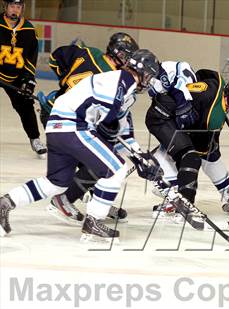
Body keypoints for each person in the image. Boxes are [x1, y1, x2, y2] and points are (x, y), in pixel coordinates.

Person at [0, 49, 161, 241]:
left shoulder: (125, 88)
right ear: (142, 72)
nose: (150, 81)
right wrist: (129, 149)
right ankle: (94, 220)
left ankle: (7, 202)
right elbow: (109, 125)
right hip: (74, 127)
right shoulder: (122, 81)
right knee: (116, 169)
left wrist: (138, 154)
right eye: (150, 75)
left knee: (56, 182)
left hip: (58, 128)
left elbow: (121, 130)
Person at [37, 32, 139, 225]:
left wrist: (64, 85)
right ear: (119, 54)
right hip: (72, 119)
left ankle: (97, 201)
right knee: (97, 160)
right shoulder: (113, 77)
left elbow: (55, 57)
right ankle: (71, 200)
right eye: (128, 57)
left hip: (54, 109)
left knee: (95, 160)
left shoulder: (89, 52)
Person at [145, 69, 229, 230]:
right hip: (164, 116)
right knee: (177, 155)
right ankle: (175, 199)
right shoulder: (210, 99)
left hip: (182, 121)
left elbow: (201, 75)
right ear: (228, 94)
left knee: (208, 152)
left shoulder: (218, 101)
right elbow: (181, 93)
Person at [0, 0, 47, 158]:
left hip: (16, 76)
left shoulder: (29, 30)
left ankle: (35, 139)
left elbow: (31, 58)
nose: (15, 10)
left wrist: (28, 80)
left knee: (26, 106)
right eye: (12, 6)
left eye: (18, 7)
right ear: (5, 7)